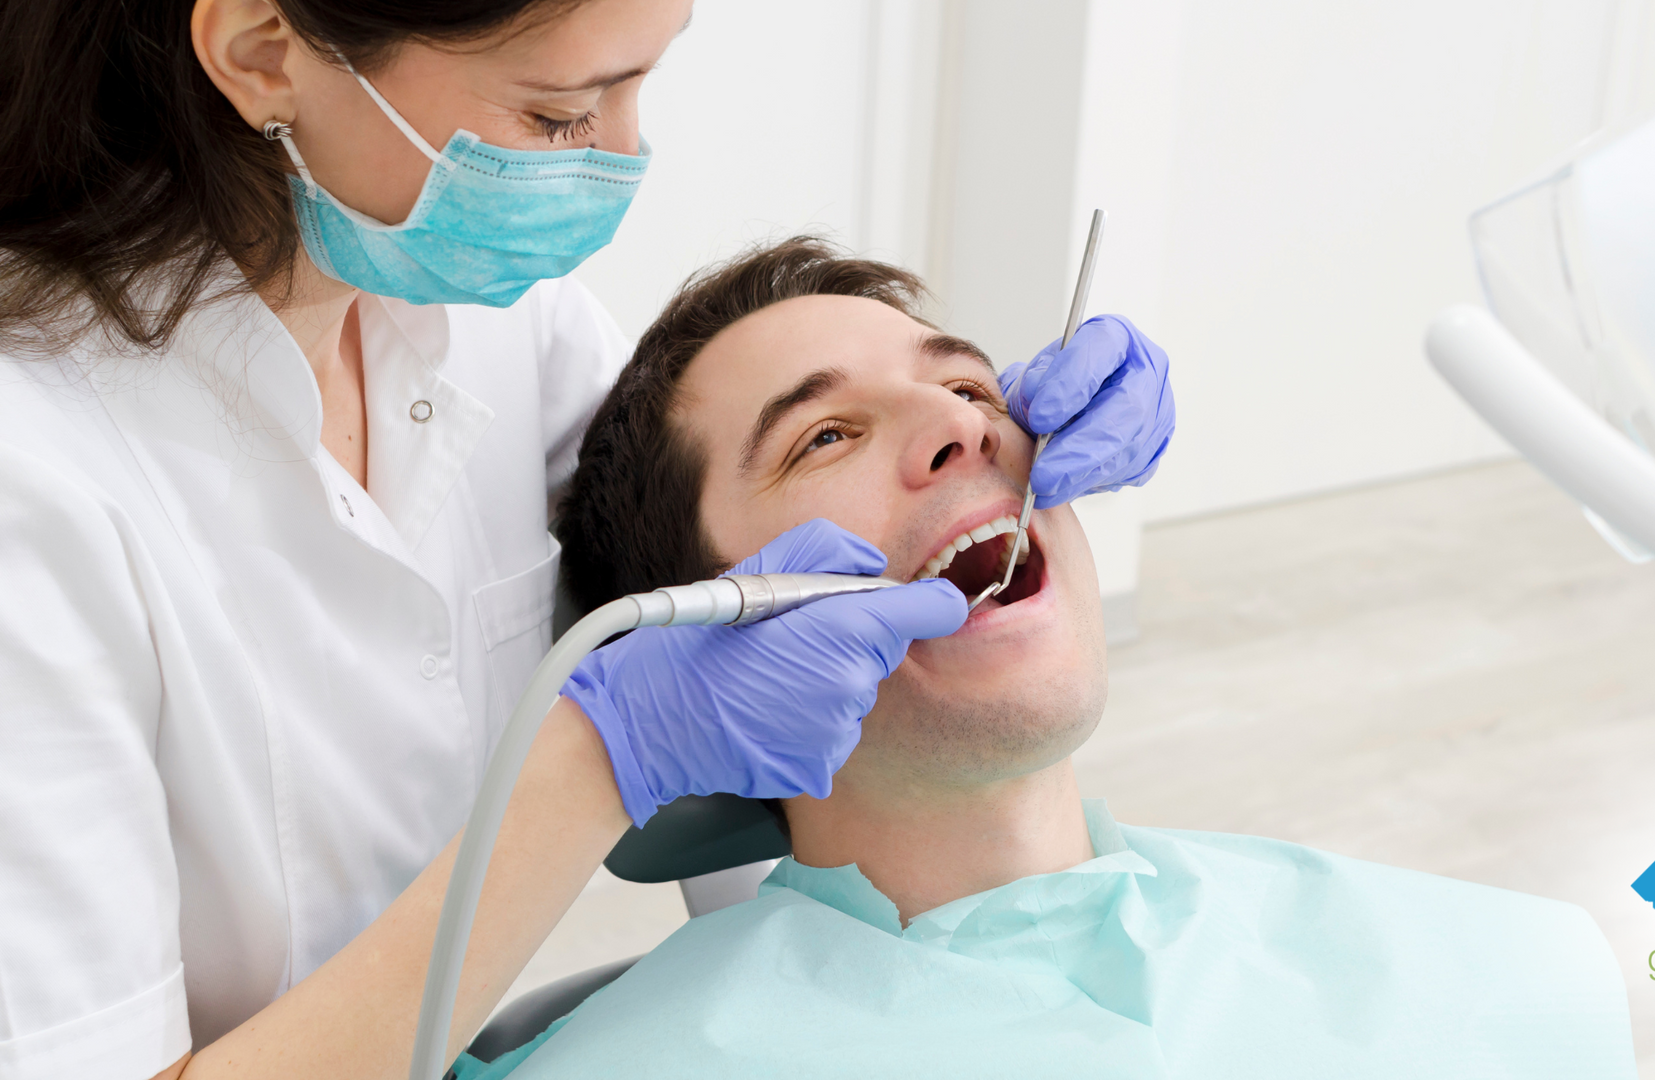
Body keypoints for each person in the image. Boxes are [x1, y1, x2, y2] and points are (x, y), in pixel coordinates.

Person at [0, 3, 1175, 1078]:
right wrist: (609, 757)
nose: (623, 155)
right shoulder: (38, 476)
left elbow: (690, 561)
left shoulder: (509, 322)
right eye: (558, 113)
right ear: (263, 51)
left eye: (970, 389)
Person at [452, 238, 1636, 1078]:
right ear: (706, 626)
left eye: (968, 385)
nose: (965, 427)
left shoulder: (1510, 975)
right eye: (826, 436)